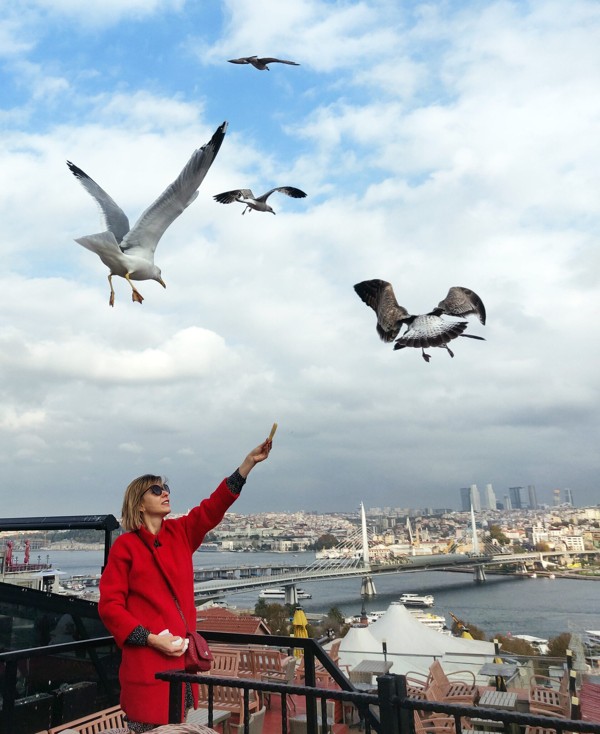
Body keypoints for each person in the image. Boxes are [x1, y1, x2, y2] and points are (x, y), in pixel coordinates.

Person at [98, 436, 272, 732]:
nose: (165, 492)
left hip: (180, 665)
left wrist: (247, 465)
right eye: (156, 489)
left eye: (166, 487)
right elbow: (109, 606)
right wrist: (151, 639)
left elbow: (213, 507)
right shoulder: (125, 547)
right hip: (146, 667)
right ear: (139, 503)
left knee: (177, 726)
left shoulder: (181, 533)